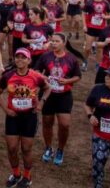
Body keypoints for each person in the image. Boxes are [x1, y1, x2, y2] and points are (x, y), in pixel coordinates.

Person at [0, 48, 51, 188]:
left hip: (29, 116)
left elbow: (48, 88)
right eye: (17, 57)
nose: (20, 60)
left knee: (26, 149)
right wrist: (6, 109)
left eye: (23, 57)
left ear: (29, 60)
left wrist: (42, 102)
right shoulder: (8, 76)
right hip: (13, 116)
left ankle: (27, 176)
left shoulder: (36, 76)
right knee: (12, 148)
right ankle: (16, 174)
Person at [35, 33, 84, 166]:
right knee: (47, 122)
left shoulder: (71, 59)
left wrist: (67, 80)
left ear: (64, 42)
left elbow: (78, 76)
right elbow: (36, 71)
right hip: (48, 94)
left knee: (64, 124)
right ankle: (48, 148)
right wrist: (44, 78)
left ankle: (60, 150)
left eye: (57, 41)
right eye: (52, 41)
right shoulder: (45, 56)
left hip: (64, 95)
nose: (53, 43)